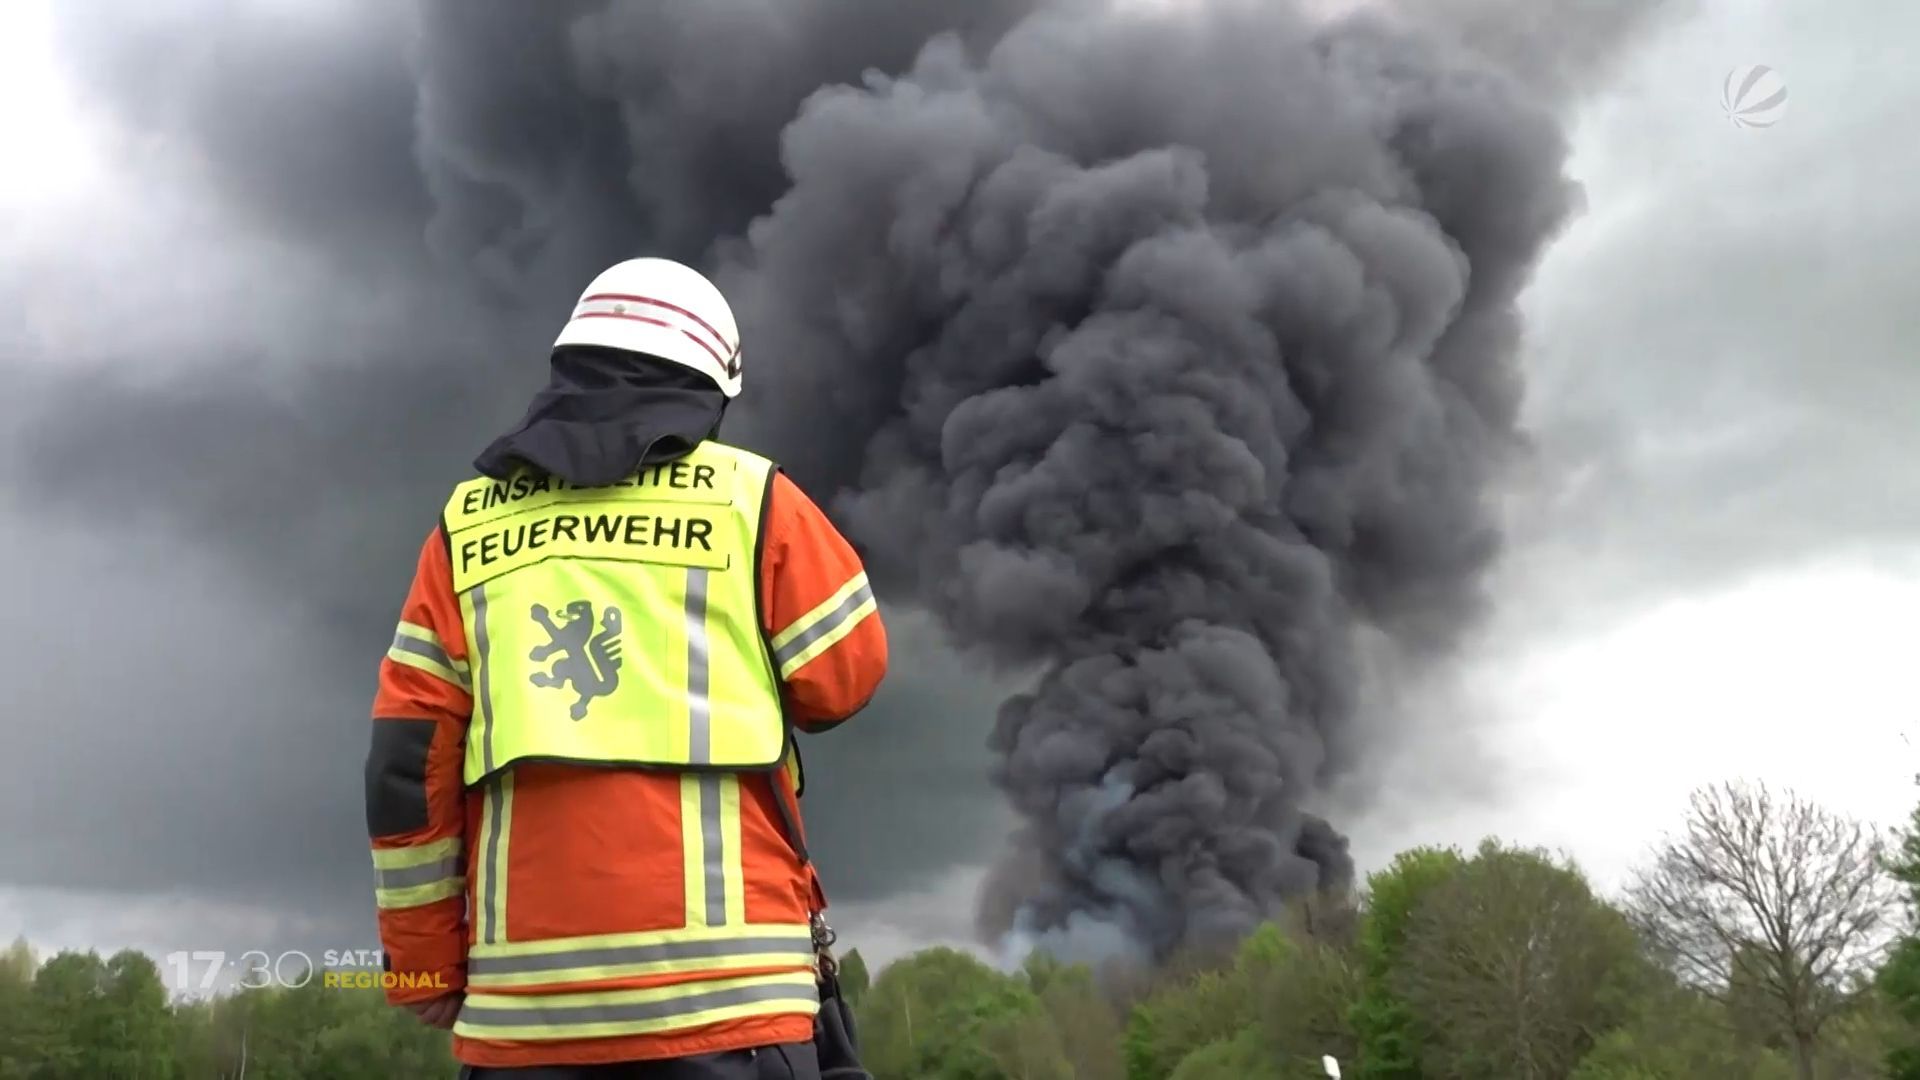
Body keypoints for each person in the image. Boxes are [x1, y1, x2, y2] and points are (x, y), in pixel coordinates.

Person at [363, 257, 888, 1078]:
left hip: (525, 1023)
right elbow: (844, 676)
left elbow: (405, 763)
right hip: (734, 1008)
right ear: (709, 385)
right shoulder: (755, 502)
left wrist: (425, 961)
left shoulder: (462, 529)